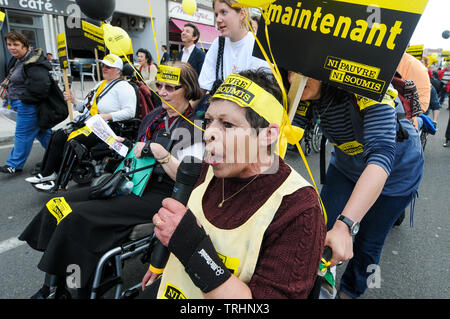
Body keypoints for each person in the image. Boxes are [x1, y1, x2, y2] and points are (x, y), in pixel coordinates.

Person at [19, 61, 204, 299]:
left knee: (77, 218)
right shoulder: (152, 117)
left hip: (161, 193)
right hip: (129, 179)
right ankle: (56, 280)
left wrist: (162, 154)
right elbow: (134, 153)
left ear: (188, 89)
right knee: (58, 205)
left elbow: (190, 180)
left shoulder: (195, 126)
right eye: (159, 85)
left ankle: (68, 290)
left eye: (171, 87)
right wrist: (113, 142)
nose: (162, 91)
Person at [140, 69, 326, 299]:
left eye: (227, 125)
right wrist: (159, 264)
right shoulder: (208, 169)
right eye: (209, 121)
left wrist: (191, 247)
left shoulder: (298, 208)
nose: (209, 134)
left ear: (268, 135)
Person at [295, 76, 424, 299]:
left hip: (397, 174)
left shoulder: (363, 82)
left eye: (303, 71)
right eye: (289, 71)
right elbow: (279, 139)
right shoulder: (299, 92)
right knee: (320, 227)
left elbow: (382, 155)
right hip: (346, 166)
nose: (293, 78)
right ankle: (319, 283)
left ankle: (349, 293)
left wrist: (346, 225)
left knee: (368, 242)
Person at [24, 53, 136, 191]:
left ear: (118, 70)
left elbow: (130, 112)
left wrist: (107, 116)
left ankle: (59, 182)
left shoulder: (124, 87)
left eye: (109, 67)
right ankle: (47, 173)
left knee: (74, 141)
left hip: (107, 126)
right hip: (89, 122)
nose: (104, 68)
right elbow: (85, 107)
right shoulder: (100, 84)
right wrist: (74, 100)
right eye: (103, 65)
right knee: (57, 135)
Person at [0, 31, 52, 174]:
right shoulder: (17, 59)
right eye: (9, 45)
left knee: (22, 134)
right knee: (42, 132)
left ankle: (14, 164)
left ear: (25, 46)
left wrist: (25, 100)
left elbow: (42, 86)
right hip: (19, 103)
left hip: (28, 105)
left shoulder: (33, 62)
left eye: (16, 45)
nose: (12, 48)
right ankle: (61, 153)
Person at [397, 53, 431, 128]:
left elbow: (421, 104)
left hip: (401, 125)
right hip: (402, 125)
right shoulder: (413, 64)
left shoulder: (413, 64)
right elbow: (421, 105)